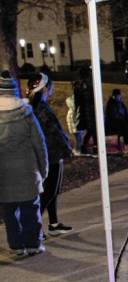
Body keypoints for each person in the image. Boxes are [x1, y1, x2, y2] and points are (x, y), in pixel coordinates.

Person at [0, 71, 48, 256]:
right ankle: (34, 244)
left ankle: (17, 246)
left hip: (4, 174)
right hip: (28, 171)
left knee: (10, 213)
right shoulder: (27, 114)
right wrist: (43, 170)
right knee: (31, 209)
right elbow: (39, 144)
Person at [27, 73, 74, 236]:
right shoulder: (41, 108)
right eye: (51, 86)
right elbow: (52, 133)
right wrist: (66, 147)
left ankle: (53, 224)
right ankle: (33, 227)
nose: (52, 89)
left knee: (53, 190)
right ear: (45, 87)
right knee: (49, 192)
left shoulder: (38, 106)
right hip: (51, 154)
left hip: (51, 154)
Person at [105, 88, 128, 153]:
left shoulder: (121, 104)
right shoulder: (111, 104)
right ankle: (127, 145)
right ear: (114, 96)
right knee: (123, 124)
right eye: (117, 95)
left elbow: (126, 114)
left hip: (123, 124)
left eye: (119, 95)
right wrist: (123, 119)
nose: (119, 97)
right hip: (114, 125)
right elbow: (113, 116)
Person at [74, 67, 96, 155]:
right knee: (92, 129)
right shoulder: (84, 85)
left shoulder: (82, 85)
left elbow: (77, 100)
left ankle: (85, 146)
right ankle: (94, 148)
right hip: (88, 110)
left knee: (92, 130)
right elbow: (79, 99)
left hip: (88, 109)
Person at [66, 82, 84, 155]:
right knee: (78, 136)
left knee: (78, 136)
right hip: (74, 118)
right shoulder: (72, 100)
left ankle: (77, 149)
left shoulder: (72, 99)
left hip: (75, 117)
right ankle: (77, 150)